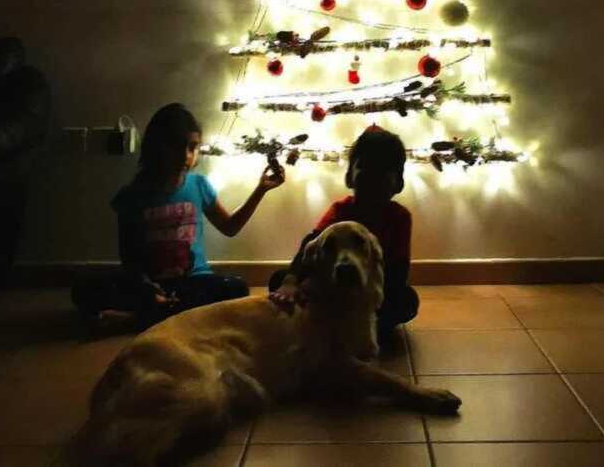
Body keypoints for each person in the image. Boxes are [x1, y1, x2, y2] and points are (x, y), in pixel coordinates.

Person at [72, 102, 284, 330]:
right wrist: (146, 285)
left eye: (193, 147)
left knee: (237, 288)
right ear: (157, 147)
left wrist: (261, 189)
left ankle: (135, 320)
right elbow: (129, 256)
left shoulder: (199, 185)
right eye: (176, 146)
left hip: (193, 282)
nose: (186, 155)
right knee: (84, 287)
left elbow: (230, 227)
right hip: (148, 284)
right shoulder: (132, 195)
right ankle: (167, 312)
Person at [268, 125, 418, 341]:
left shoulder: (400, 217)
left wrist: (370, 294)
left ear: (399, 182)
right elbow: (310, 245)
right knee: (279, 280)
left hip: (371, 291)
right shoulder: (340, 210)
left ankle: (362, 325)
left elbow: (398, 271)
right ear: (349, 177)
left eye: (383, 171)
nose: (374, 179)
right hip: (332, 286)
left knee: (407, 300)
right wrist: (291, 281)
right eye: (366, 169)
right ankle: (332, 322)